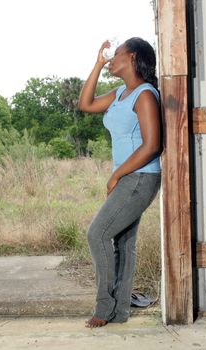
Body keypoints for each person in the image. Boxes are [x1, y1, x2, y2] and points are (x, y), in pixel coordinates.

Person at [78, 37, 162, 328]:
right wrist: (97, 63)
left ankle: (104, 307)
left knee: (97, 233)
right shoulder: (118, 94)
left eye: (115, 55)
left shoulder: (146, 95)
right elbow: (85, 104)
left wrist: (116, 175)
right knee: (123, 243)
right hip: (130, 176)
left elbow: (152, 145)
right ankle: (120, 311)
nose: (111, 59)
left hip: (141, 177)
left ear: (133, 57)